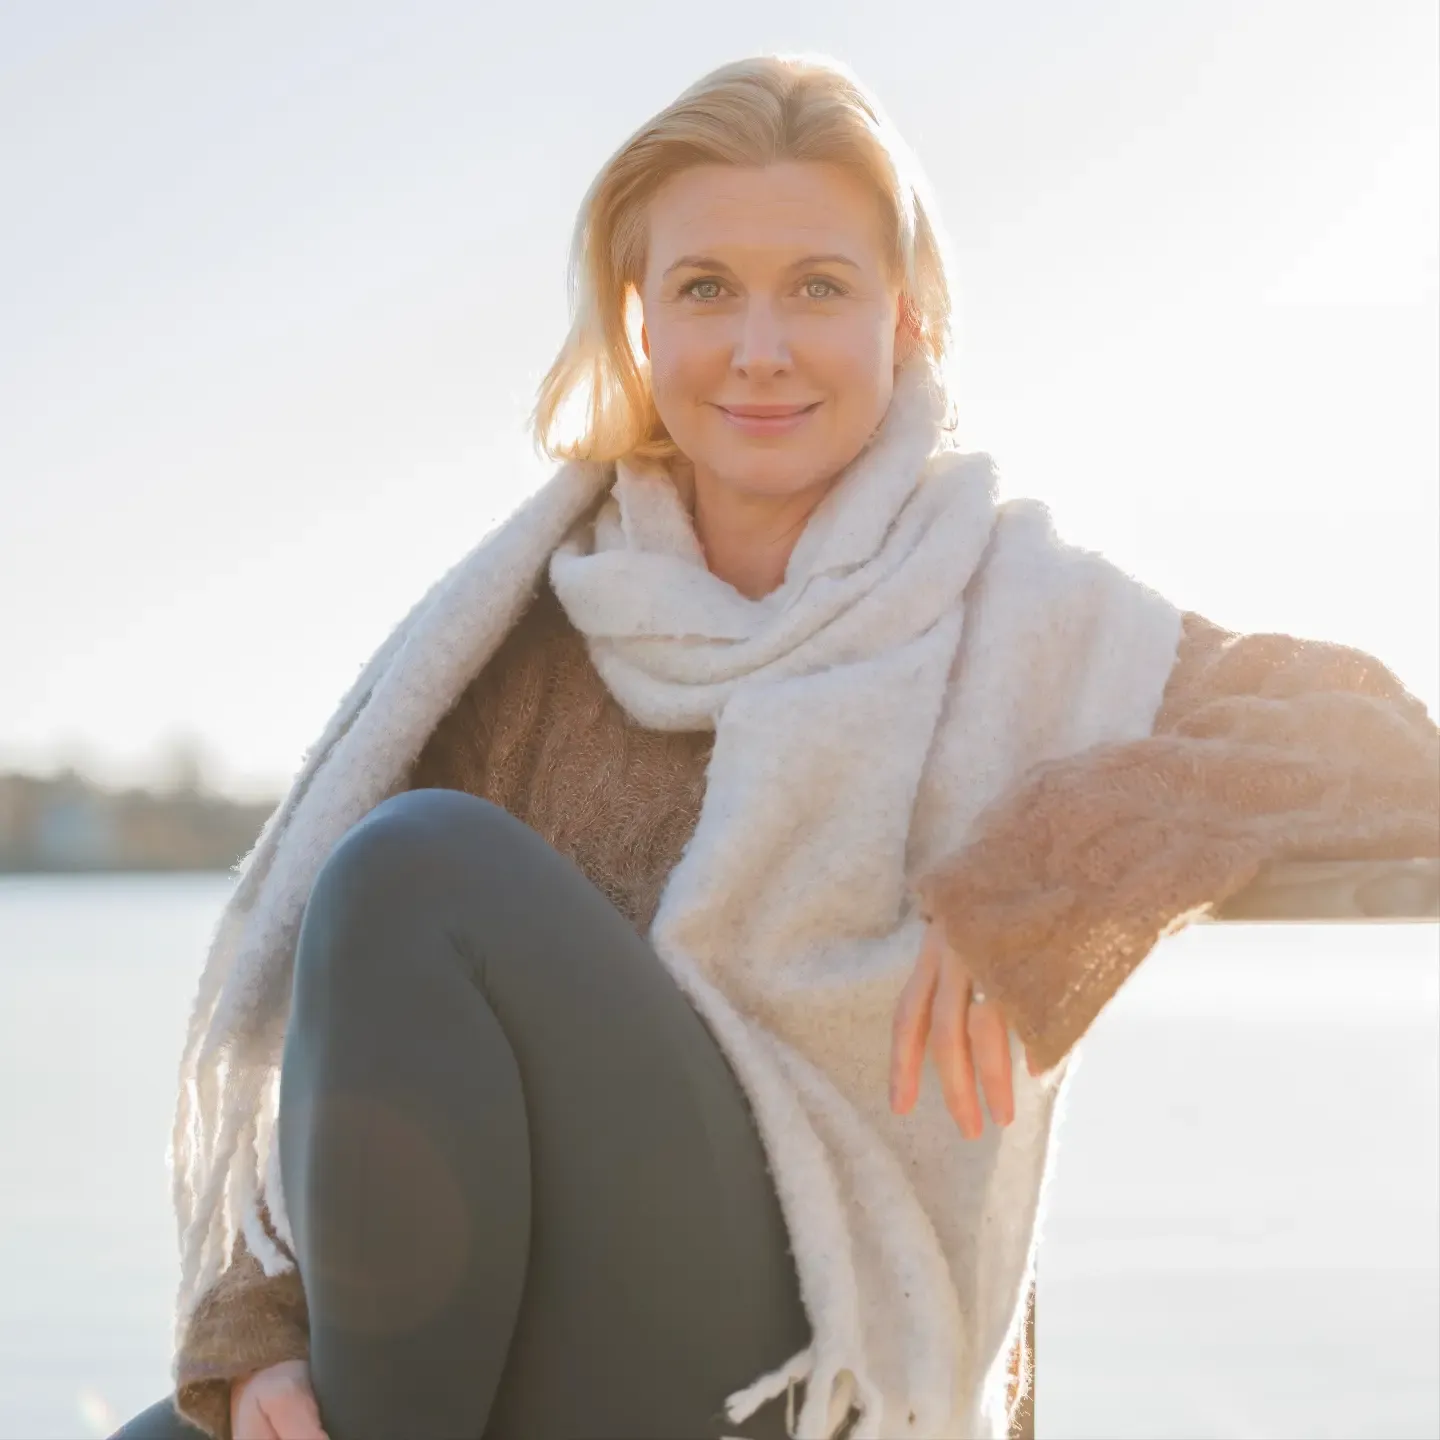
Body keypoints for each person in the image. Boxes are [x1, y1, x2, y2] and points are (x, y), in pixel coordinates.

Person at [111, 52, 1439, 1440]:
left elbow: (1385, 749)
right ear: (638, 324)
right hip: (518, 1313)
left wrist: (1049, 874)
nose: (760, 347)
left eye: (817, 286)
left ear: (906, 321)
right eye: (705, 290)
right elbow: (355, 1055)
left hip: (816, 1359)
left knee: (412, 864)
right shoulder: (537, 627)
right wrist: (261, 1342)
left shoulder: (1020, 604)